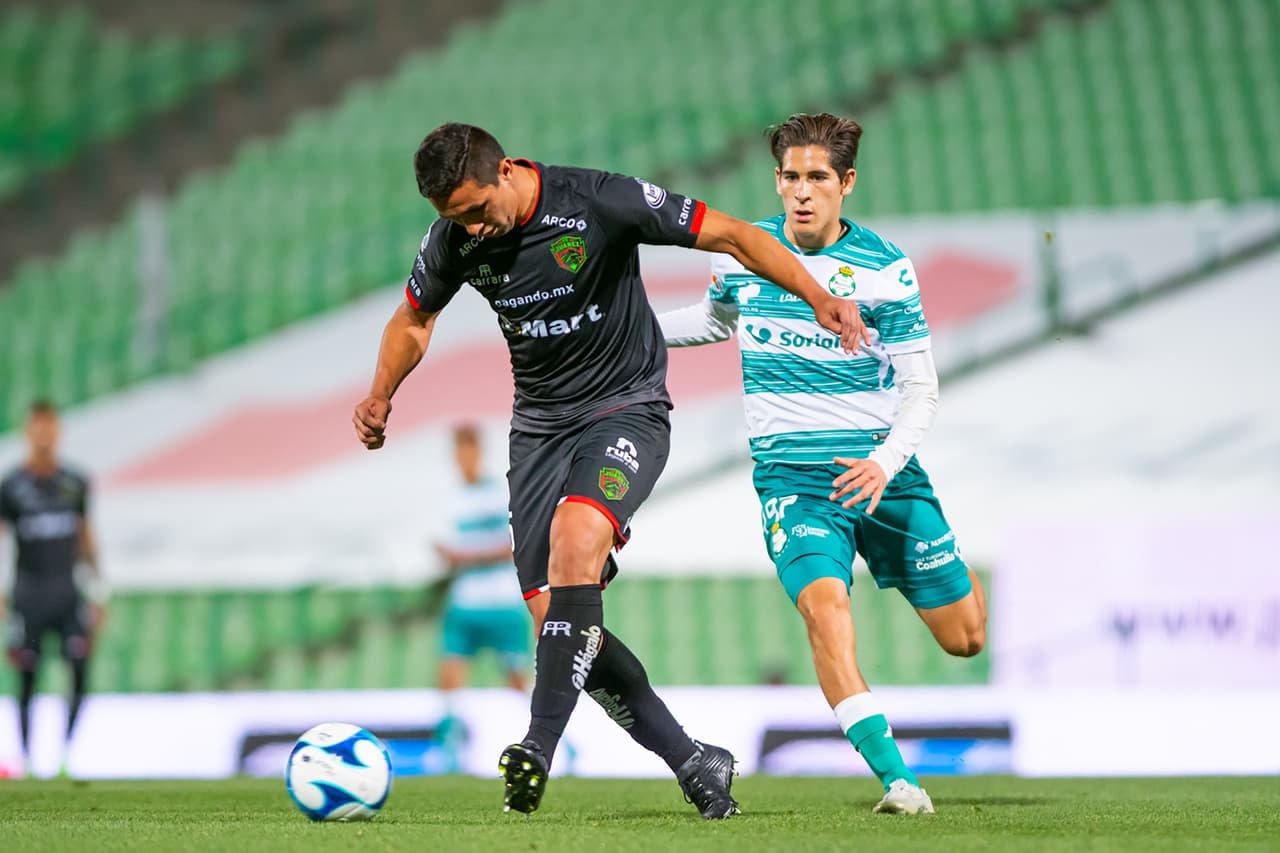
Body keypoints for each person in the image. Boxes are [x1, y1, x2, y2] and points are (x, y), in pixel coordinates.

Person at [352, 122, 867, 817]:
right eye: (455, 219)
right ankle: (692, 760)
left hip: (625, 409)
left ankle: (537, 743)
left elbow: (737, 236)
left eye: (477, 209)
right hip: (538, 431)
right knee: (557, 620)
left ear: (506, 171)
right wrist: (382, 392)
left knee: (576, 544)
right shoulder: (453, 239)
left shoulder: (596, 201)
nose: (471, 227)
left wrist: (817, 294)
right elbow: (413, 318)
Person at [659, 113, 988, 815]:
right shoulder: (740, 252)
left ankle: (917, 567)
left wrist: (885, 463)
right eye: (790, 177)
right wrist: (632, 328)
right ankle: (898, 780)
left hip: (883, 473)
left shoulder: (885, 269)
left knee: (966, 636)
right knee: (825, 612)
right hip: (795, 483)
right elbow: (718, 320)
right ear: (776, 180)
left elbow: (921, 386)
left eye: (817, 178)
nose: (801, 192)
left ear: (847, 183)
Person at [0, 400, 106, 778]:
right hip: (29, 595)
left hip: (67, 593)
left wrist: (98, 591)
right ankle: (27, 759)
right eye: (37, 427)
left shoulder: (75, 483)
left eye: (50, 427)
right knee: (27, 676)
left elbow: (85, 537)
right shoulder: (11, 487)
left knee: (79, 671)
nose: (44, 435)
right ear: (28, 432)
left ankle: (64, 755)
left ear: (58, 431)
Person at [434, 424, 530, 772]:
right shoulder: (454, 496)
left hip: (501, 602)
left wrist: (463, 558)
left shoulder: (497, 493)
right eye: (458, 451)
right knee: (448, 672)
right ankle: (450, 749)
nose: (463, 458)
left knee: (517, 678)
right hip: (464, 603)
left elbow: (513, 547)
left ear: (478, 451)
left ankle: (555, 739)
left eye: (468, 450)